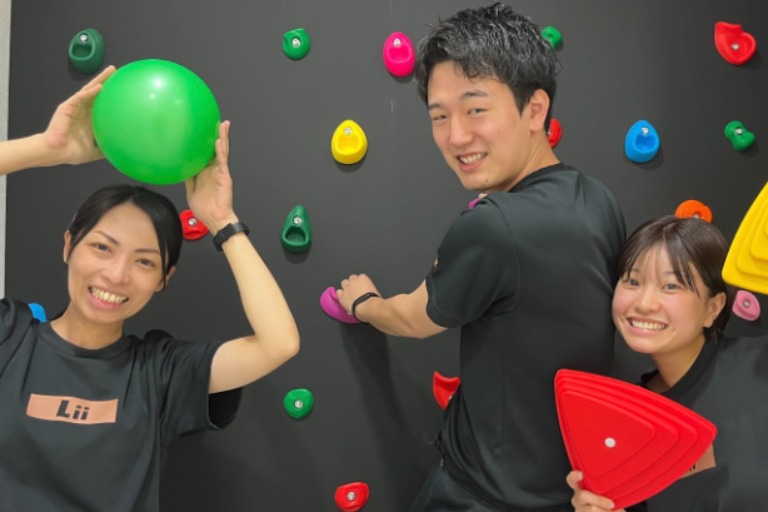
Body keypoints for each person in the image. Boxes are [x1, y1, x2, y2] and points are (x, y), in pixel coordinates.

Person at [334, 4, 626, 510]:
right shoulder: (597, 198)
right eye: (439, 117)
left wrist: (363, 303)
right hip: (567, 489)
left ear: (535, 109)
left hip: (483, 496)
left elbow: (413, 319)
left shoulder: (494, 225)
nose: (456, 137)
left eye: (475, 110)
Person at [0, 66, 300, 511]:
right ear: (68, 246)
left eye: (144, 261)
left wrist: (223, 222)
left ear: (163, 279)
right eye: (102, 247)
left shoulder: (159, 371)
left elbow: (280, 343)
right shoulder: (10, 336)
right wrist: (47, 148)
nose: (117, 274)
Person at [566, 215, 768, 512]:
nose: (644, 303)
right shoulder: (624, 421)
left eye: (671, 286)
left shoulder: (760, 365)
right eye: (632, 281)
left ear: (713, 308)